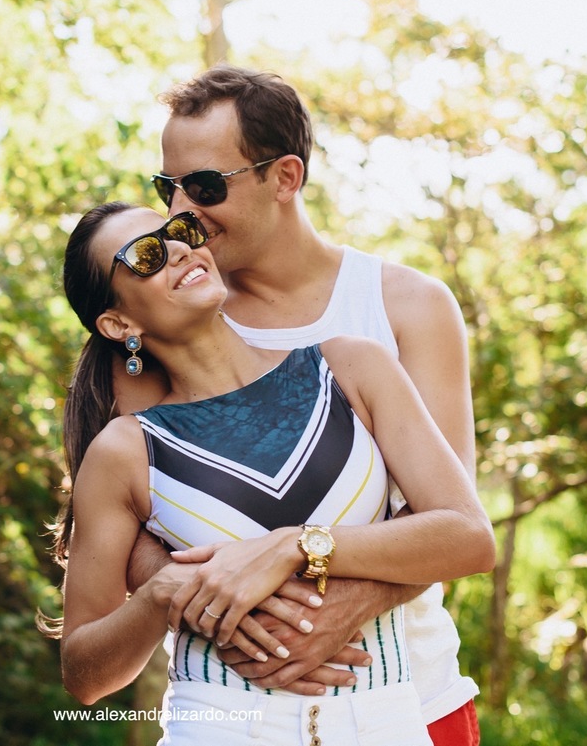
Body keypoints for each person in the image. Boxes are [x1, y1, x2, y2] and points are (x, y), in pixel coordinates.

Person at [114, 66, 486, 745]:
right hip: (231, 712)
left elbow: (449, 521)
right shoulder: (169, 315)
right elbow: (128, 519)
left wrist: (337, 609)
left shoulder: (408, 306)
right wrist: (240, 626)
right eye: (166, 187)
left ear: (285, 177)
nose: (178, 211)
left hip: (410, 696)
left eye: (204, 187)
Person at [53, 201, 494, 745]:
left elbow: (470, 537)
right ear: (119, 323)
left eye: (180, 231)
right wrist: (160, 595)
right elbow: (84, 676)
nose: (180, 248)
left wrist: (298, 546)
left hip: (384, 724)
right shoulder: (125, 451)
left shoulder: (352, 368)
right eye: (146, 254)